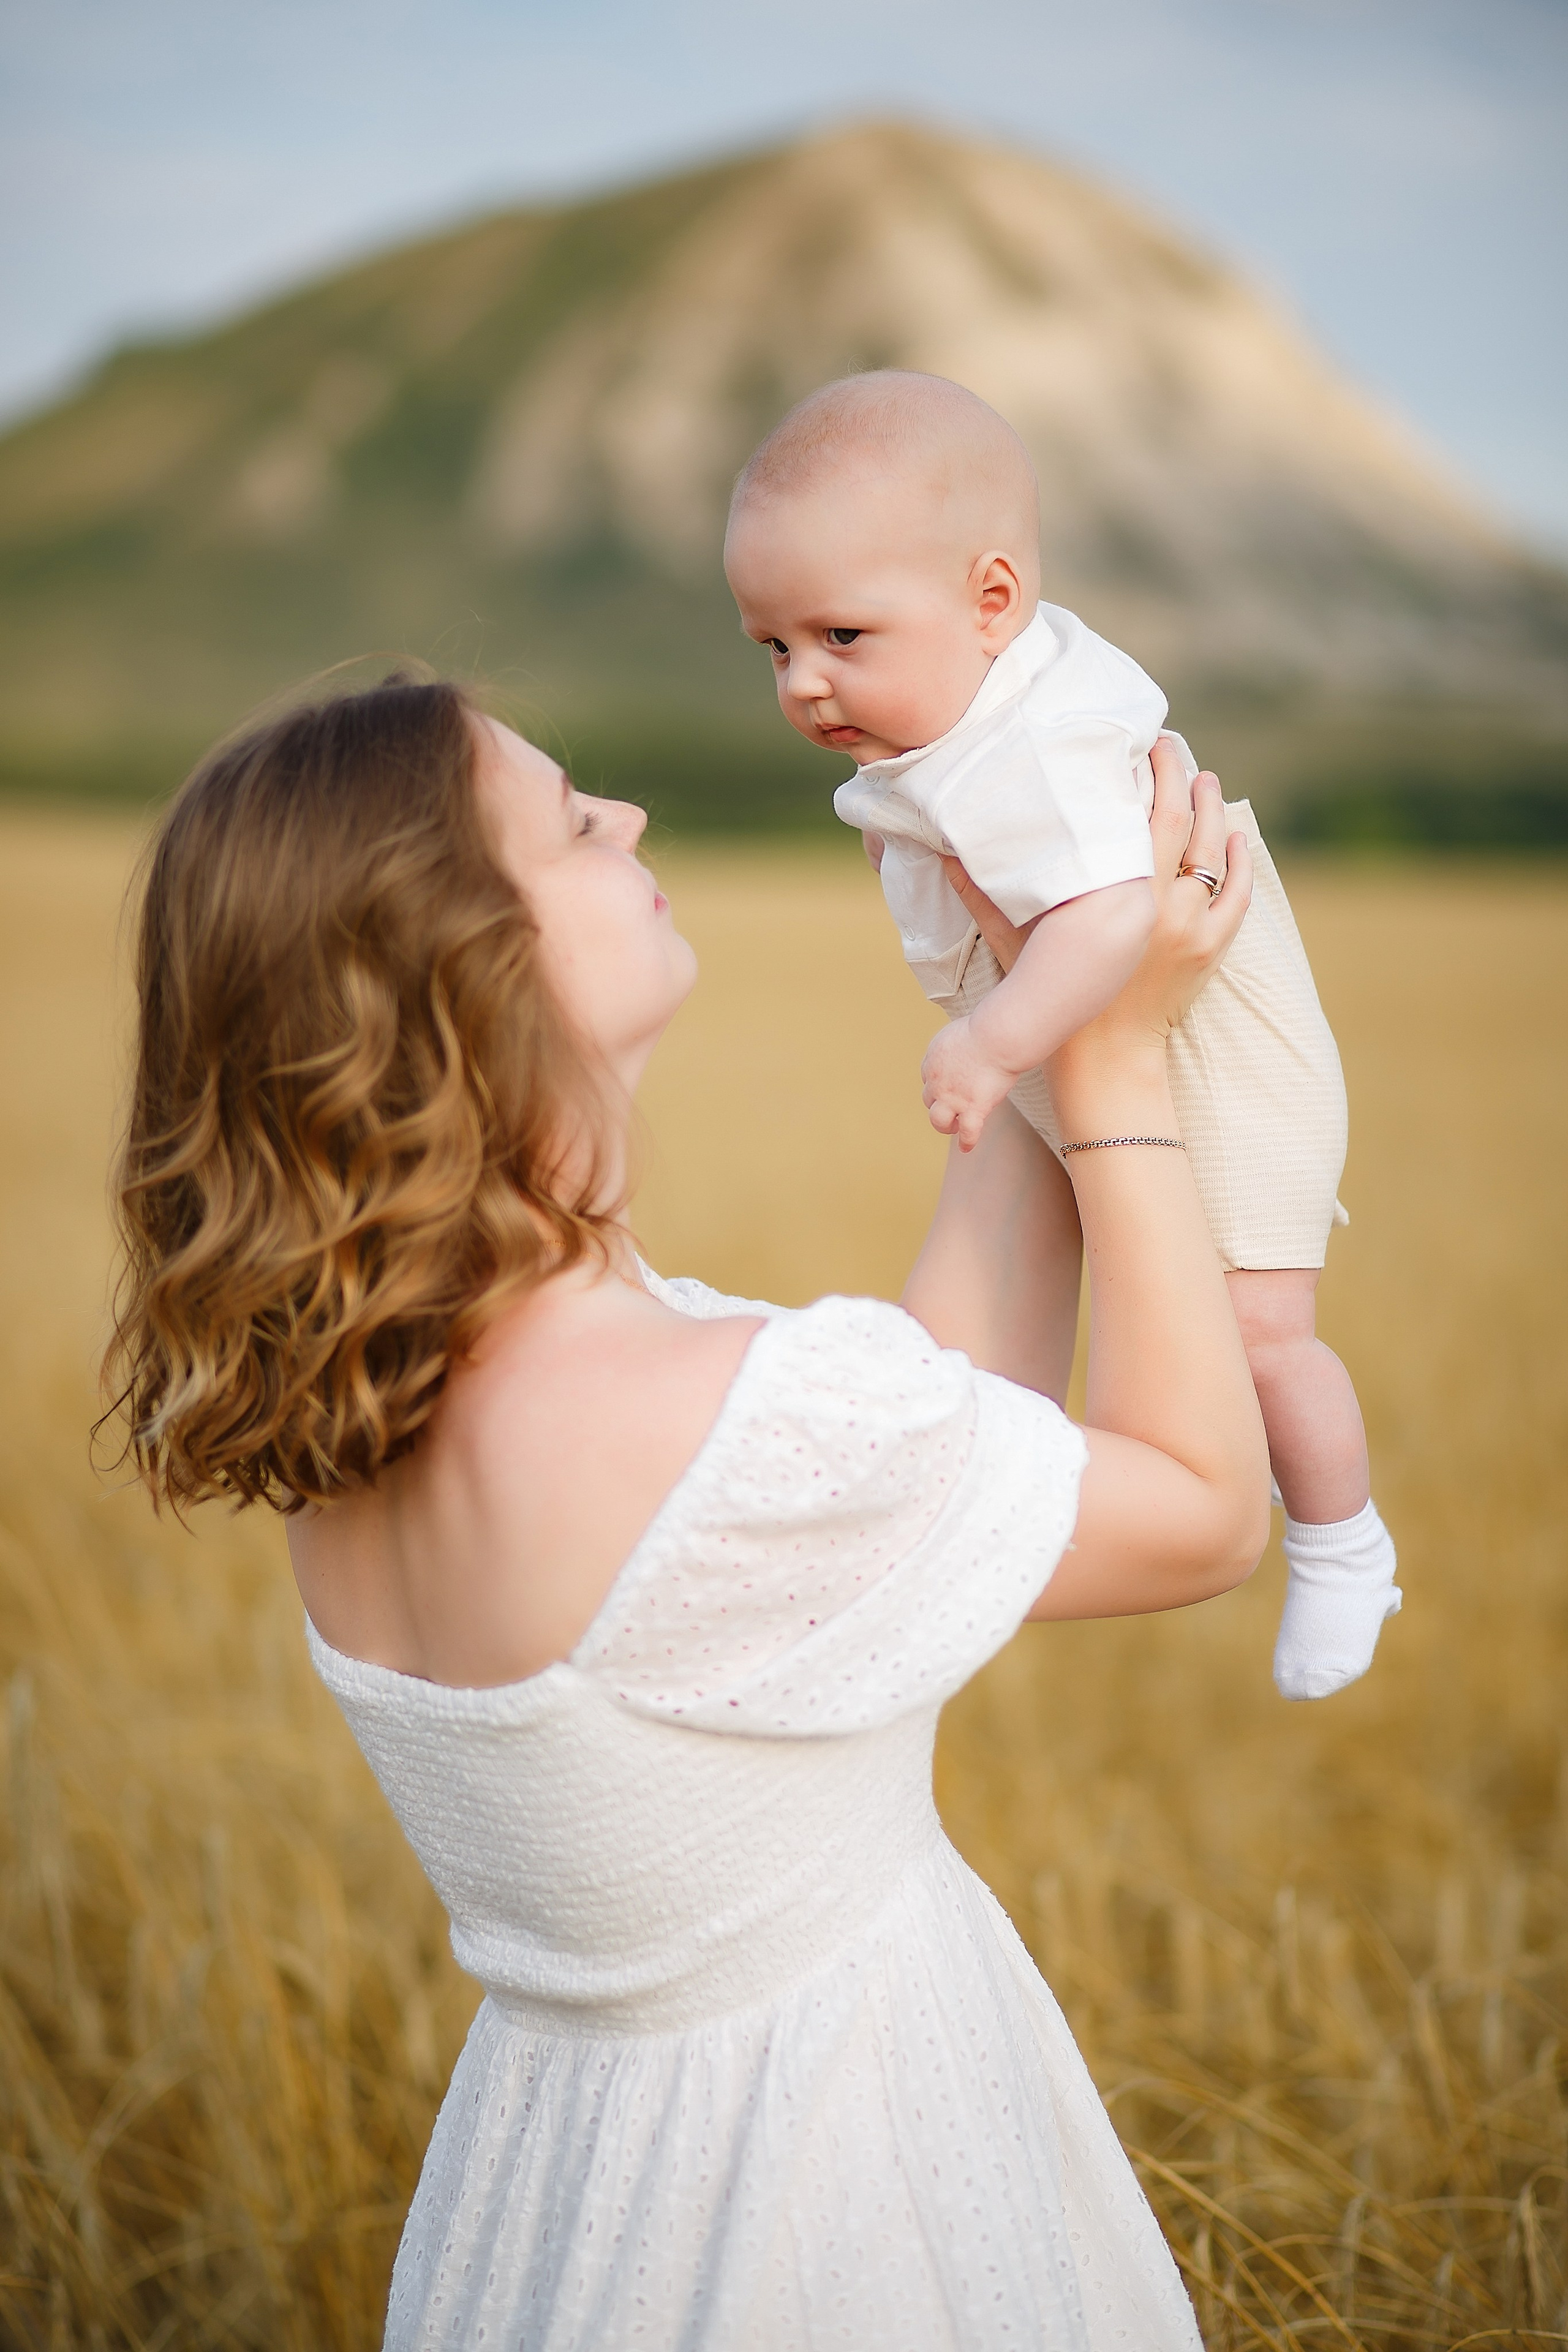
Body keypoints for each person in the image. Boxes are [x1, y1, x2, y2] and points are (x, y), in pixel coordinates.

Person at [106, 673, 1267, 2350]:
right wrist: (1118, 1051)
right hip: (835, 2204)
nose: (632, 818)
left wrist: (1036, 987)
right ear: (463, 965)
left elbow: (922, 1459)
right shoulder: (677, 1406)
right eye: (576, 824)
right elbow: (1208, 1512)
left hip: (561, 2207)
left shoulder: (379, 1404)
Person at [724, 369, 1401, 1705]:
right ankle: (1005, 1518)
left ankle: (1342, 1543)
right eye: (773, 648)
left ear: (989, 601)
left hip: (1215, 1053)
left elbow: (1112, 928)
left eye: (843, 637)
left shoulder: (1034, 749)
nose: (804, 683)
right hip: (1104, 1039)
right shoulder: (962, 713)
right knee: (1138, 1312)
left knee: (1255, 1337)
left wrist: (990, 1044)